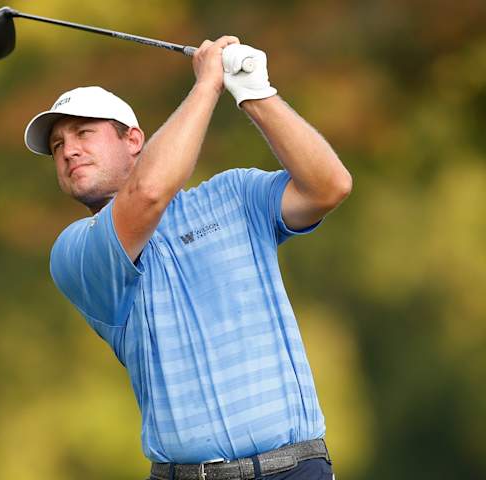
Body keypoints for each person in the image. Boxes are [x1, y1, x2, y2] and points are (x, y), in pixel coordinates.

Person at [24, 36, 351, 480]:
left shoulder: (233, 195)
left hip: (295, 468)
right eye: (58, 145)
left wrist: (257, 95)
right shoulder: (74, 251)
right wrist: (208, 85)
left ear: (133, 139)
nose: (69, 151)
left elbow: (329, 186)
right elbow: (148, 193)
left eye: (83, 133)